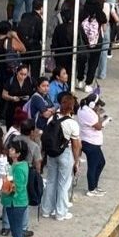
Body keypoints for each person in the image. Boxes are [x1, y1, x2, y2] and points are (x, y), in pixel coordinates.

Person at [40, 93, 82, 221]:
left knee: (51, 180)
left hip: (52, 153)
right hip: (66, 153)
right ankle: (61, 212)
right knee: (63, 184)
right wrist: (76, 161)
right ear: (71, 107)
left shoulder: (52, 118)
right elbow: (75, 145)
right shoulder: (72, 124)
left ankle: (46, 210)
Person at [0, 21, 26, 124]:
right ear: (9, 31)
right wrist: (16, 36)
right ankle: (8, 113)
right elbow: (23, 49)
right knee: (9, 91)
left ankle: (2, 114)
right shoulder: (11, 41)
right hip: (9, 70)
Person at [77, 94, 108, 197]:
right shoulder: (89, 113)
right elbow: (99, 126)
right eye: (97, 106)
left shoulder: (84, 110)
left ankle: (94, 185)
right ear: (92, 104)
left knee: (100, 162)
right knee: (94, 165)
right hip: (91, 143)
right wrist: (101, 117)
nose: (99, 107)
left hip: (88, 141)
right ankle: (91, 189)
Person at [2, 139, 30, 237]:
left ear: (18, 154)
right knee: (16, 230)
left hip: (16, 203)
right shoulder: (18, 165)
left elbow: (16, 187)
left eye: (13, 149)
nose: (10, 150)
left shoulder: (18, 168)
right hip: (15, 202)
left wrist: (5, 182)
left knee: (17, 231)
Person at [76, 0, 106, 94]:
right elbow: (104, 21)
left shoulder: (82, 14)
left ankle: (80, 79)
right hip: (97, 42)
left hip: (83, 42)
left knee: (81, 61)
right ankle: (88, 84)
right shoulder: (100, 15)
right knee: (93, 63)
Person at [1, 64, 36, 129]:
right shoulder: (11, 80)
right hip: (12, 109)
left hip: (25, 108)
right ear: (17, 72)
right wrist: (12, 98)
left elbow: (36, 91)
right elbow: (4, 95)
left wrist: (30, 97)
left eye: (25, 74)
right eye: (21, 74)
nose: (23, 76)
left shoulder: (30, 80)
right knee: (11, 128)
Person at [16, 0, 44, 79]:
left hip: (24, 47)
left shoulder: (25, 16)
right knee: (35, 72)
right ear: (41, 8)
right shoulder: (39, 20)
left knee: (24, 69)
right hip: (35, 48)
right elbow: (41, 34)